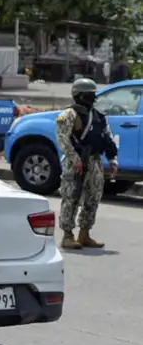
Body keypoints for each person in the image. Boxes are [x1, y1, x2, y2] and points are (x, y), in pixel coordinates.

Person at [56, 77, 118, 250]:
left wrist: (112, 159)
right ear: (79, 95)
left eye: (94, 94)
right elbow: (63, 139)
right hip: (76, 163)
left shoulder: (98, 116)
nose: (93, 97)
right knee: (71, 197)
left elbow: (107, 138)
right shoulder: (69, 115)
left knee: (93, 198)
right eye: (90, 94)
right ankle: (68, 235)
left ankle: (84, 234)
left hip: (95, 162)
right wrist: (75, 159)